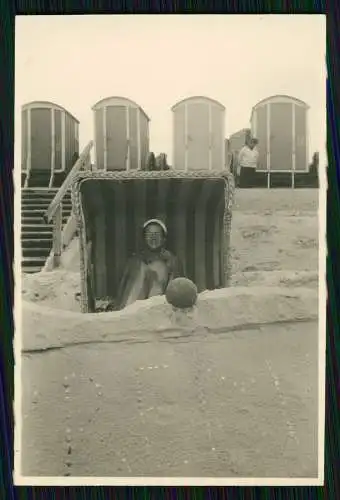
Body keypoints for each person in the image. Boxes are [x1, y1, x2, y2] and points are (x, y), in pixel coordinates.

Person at [112, 219, 183, 310]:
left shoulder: (172, 261)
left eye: (157, 234)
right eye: (149, 235)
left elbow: (176, 291)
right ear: (144, 238)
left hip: (159, 309)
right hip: (133, 310)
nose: (153, 238)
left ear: (164, 238)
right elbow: (124, 293)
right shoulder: (134, 261)